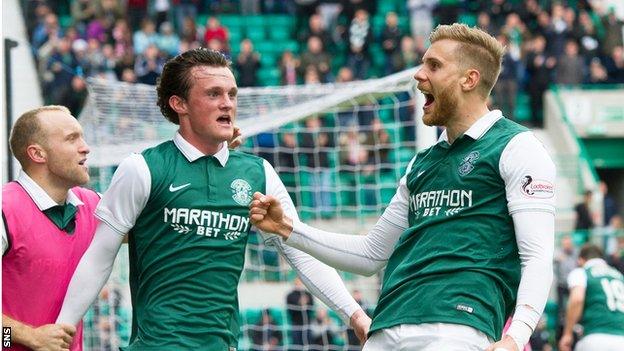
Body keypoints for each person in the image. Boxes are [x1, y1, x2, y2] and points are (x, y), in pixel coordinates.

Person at [250, 23, 556, 351]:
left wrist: (516, 337)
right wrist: (287, 228)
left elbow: (537, 257)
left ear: (469, 79)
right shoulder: (420, 164)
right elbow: (371, 255)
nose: (419, 75)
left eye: (434, 66)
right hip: (387, 326)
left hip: (455, 326)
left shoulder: (517, 147)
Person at [55, 48, 370, 350]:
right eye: (213, 94)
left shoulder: (258, 173)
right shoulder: (142, 169)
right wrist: (61, 333)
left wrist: (355, 315)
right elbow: (99, 258)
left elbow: (300, 250)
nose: (227, 104)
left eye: (231, 94)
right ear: (180, 103)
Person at [2, 105, 99, 351]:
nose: (85, 147)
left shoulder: (90, 205)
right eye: (71, 138)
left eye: (82, 136)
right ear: (37, 154)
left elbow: (157, 229)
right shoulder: (4, 210)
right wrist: (27, 336)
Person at [559, 244, 624, 351]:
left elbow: (577, 299)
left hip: (595, 336)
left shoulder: (581, 272)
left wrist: (567, 334)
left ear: (580, 260)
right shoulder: (619, 276)